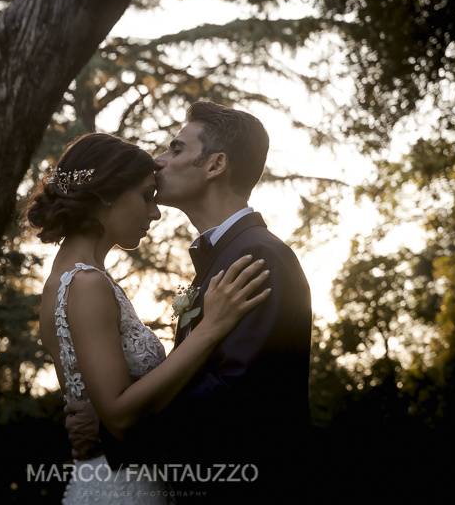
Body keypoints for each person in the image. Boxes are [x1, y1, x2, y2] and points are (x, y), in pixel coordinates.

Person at [65, 101, 313, 502]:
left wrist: (119, 429)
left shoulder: (259, 257)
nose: (159, 162)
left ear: (215, 165)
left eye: (176, 149)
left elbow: (235, 398)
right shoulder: (218, 261)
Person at [27, 132, 272, 504]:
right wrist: (210, 329)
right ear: (107, 194)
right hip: (122, 487)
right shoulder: (87, 284)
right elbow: (120, 416)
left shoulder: (67, 280)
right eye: (145, 196)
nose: (154, 213)